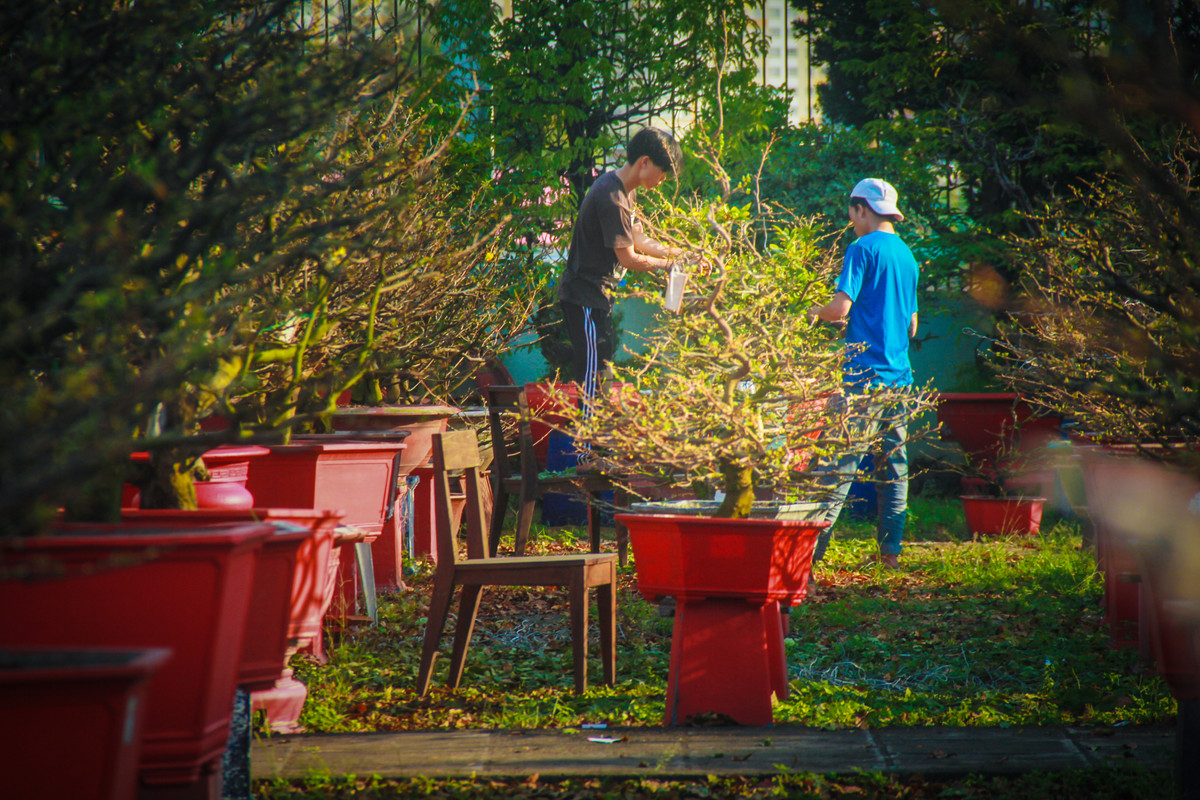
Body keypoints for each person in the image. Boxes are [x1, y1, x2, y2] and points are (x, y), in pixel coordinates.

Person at [806, 178, 919, 570]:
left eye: (852, 214)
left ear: (862, 209)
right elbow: (910, 326)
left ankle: (805, 566)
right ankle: (891, 557)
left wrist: (812, 315)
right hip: (900, 381)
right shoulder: (908, 256)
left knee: (835, 472)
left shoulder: (861, 249)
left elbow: (839, 309)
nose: (851, 223)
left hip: (862, 382)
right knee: (894, 470)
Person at [558, 127, 684, 462]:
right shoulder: (610, 195)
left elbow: (638, 238)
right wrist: (666, 264)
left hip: (598, 299)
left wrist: (678, 254)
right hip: (583, 297)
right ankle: (585, 455)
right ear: (645, 162)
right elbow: (628, 257)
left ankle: (595, 448)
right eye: (662, 172)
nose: (662, 180)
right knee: (590, 374)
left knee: (604, 374)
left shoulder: (626, 192)